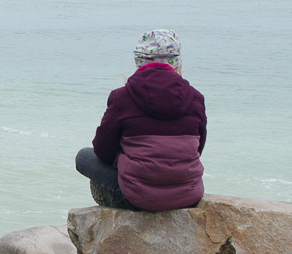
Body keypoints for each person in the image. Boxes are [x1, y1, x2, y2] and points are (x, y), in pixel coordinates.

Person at [75, 29, 206, 211]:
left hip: (137, 199)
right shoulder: (196, 98)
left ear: (139, 62)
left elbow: (102, 151)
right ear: (176, 63)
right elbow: (198, 149)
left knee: (84, 157)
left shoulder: (122, 97)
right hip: (188, 196)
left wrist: (125, 158)